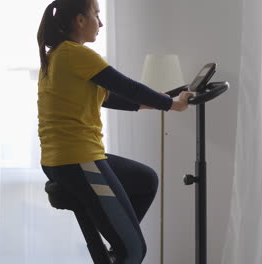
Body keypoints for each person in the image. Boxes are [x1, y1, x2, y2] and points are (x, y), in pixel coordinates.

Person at [36, 0, 193, 263]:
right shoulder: (76, 54)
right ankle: (122, 245)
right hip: (78, 159)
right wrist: (173, 105)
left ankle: (117, 244)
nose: (101, 22)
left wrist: (163, 100)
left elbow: (111, 98)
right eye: (96, 15)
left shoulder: (56, 56)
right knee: (133, 251)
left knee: (145, 180)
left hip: (62, 160)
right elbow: (127, 86)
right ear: (80, 20)